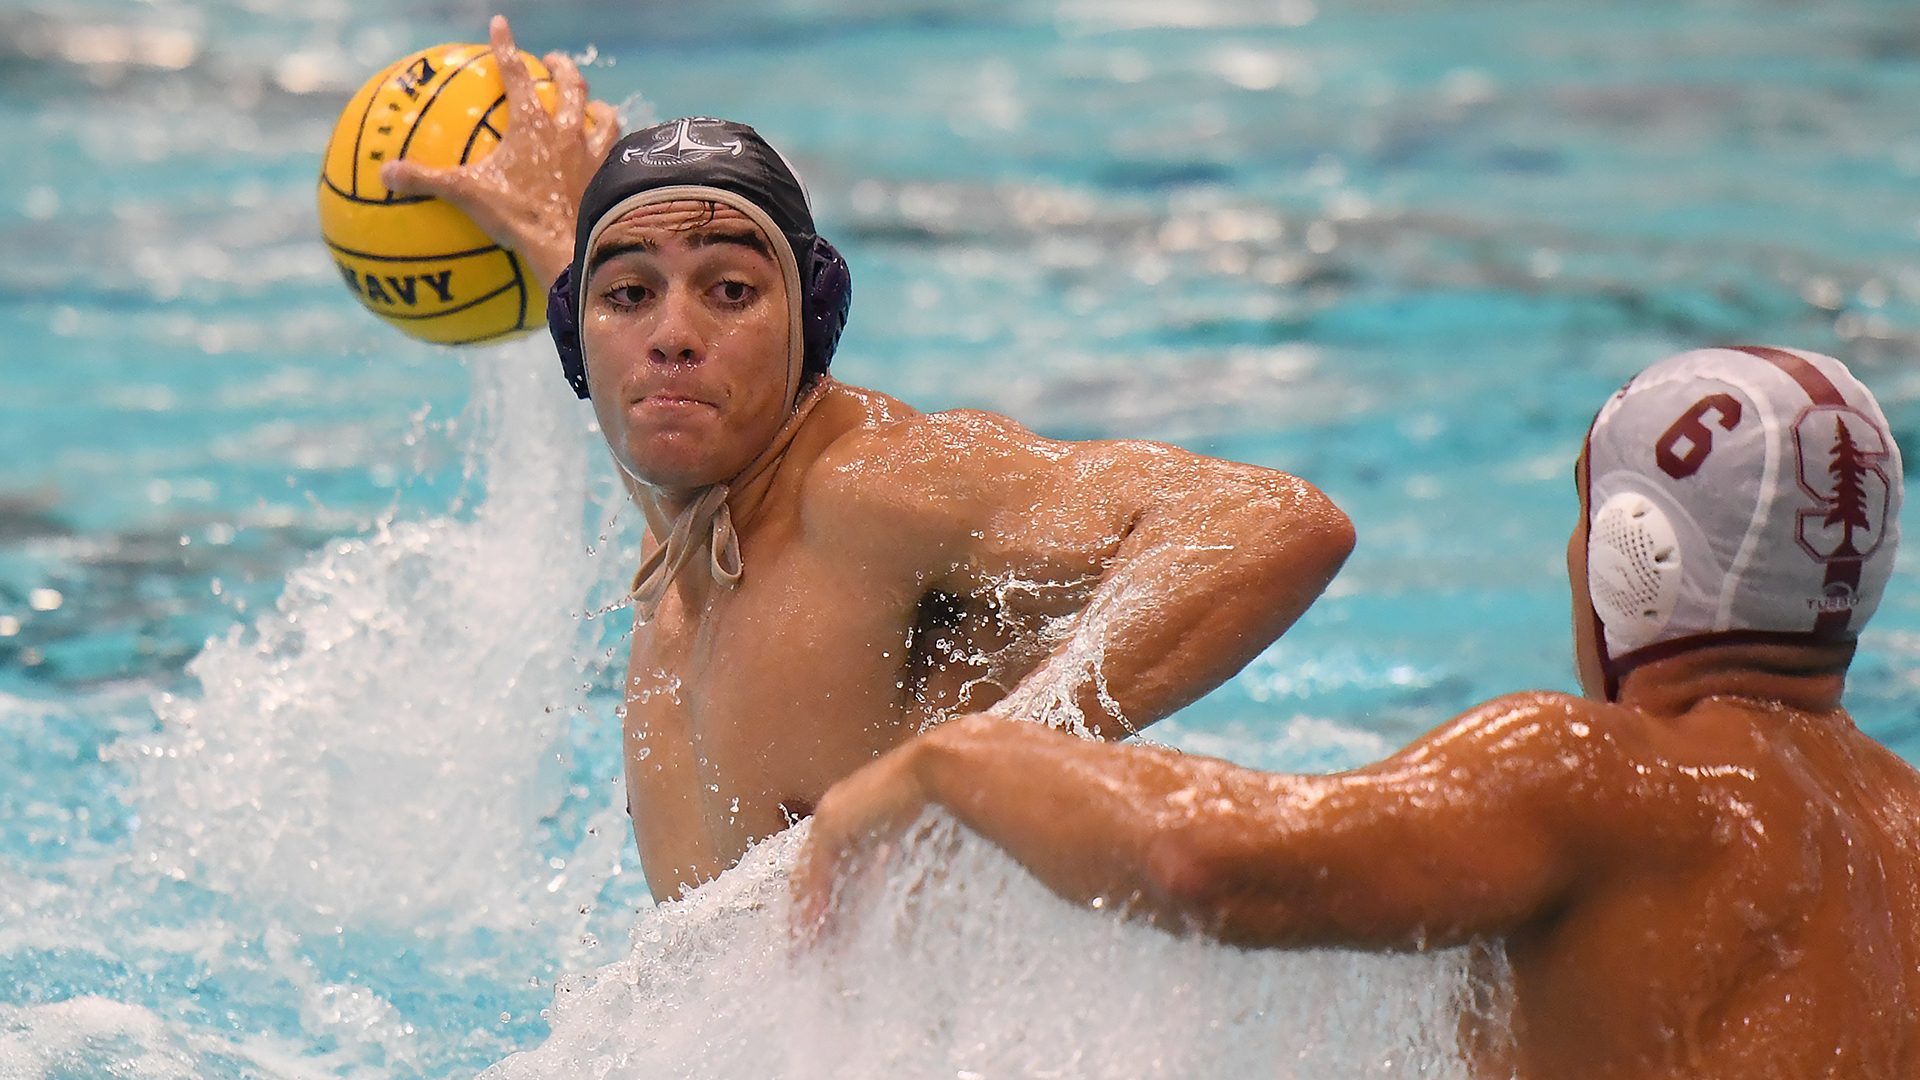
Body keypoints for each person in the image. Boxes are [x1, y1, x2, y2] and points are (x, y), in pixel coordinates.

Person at [382, 18, 1356, 897]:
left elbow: (1274, 525)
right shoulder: (698, 520)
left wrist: (984, 765)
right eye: (629, 295)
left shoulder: (873, 489)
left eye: (729, 292)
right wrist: (565, 224)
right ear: (581, 336)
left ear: (808, 327)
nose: (670, 336)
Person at [794, 346, 1920, 1078]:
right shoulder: (1905, 822)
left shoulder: (1593, 774)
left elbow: (1210, 860)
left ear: (1636, 558)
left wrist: (945, 761)